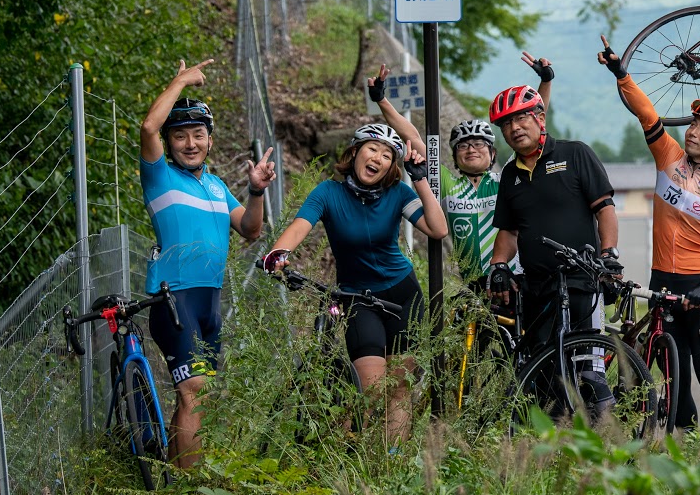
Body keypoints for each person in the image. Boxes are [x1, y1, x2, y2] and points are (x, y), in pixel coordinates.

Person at [259, 120, 447, 443]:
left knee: (399, 388)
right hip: (357, 299)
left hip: (403, 294)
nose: (377, 158)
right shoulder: (328, 193)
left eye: (387, 155)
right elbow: (299, 226)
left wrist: (420, 182)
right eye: (372, 149)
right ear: (356, 151)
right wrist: (277, 253)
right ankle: (352, 463)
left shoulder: (398, 193)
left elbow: (438, 228)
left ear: (391, 166)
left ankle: (389, 468)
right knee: (371, 393)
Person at [599, 35, 700, 432]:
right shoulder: (668, 156)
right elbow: (648, 115)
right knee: (674, 382)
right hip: (661, 283)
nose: (694, 132)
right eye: (695, 124)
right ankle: (681, 457)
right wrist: (622, 74)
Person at [140, 59, 276, 467]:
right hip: (173, 299)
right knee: (194, 390)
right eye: (180, 136)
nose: (190, 143)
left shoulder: (215, 185)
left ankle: (173, 489)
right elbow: (148, 128)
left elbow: (250, 231)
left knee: (199, 399)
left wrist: (255, 192)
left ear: (210, 141)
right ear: (170, 143)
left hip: (209, 303)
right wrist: (179, 81)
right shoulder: (159, 175)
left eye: (198, 134)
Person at [486, 82, 618, 399]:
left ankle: (606, 440)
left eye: (521, 119)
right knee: (546, 376)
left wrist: (609, 254)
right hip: (537, 287)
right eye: (506, 124)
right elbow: (509, 230)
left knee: (589, 372)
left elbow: (605, 209)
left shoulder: (575, 153)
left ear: (540, 118)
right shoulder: (509, 174)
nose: (514, 128)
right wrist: (498, 265)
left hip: (581, 279)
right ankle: (555, 440)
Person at [437, 54, 554, 284]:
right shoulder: (448, 183)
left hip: (510, 278)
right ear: (454, 156)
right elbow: (417, 144)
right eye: (463, 146)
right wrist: (382, 100)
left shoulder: (506, 178)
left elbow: (535, 125)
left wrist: (546, 81)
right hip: (471, 284)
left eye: (479, 144)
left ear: (492, 154)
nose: (471, 149)